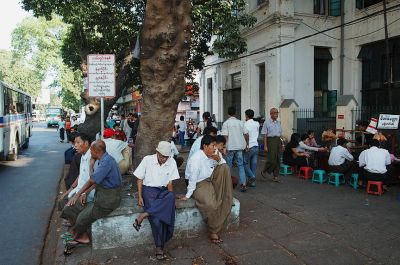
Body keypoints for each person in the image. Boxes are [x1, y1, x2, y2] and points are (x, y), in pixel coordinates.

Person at [63, 139, 122, 255]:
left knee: (82, 217)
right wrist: (85, 192)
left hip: (109, 200)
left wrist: (79, 194)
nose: (90, 152)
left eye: (91, 150)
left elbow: (91, 180)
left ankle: (75, 236)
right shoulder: (103, 159)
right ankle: (77, 235)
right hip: (101, 196)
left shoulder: (106, 162)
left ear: (96, 151)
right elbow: (96, 180)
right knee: (74, 209)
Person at [181, 135, 233, 244]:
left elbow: (222, 164)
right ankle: (214, 230)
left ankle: (226, 195)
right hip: (199, 183)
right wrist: (188, 194)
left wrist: (218, 160)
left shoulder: (215, 153)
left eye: (215, 145)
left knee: (225, 167)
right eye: (212, 145)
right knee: (211, 205)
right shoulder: (196, 158)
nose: (215, 148)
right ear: (204, 146)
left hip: (211, 178)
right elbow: (192, 178)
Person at [133, 141, 179, 260]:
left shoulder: (172, 161)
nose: (164, 159)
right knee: (157, 219)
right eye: (162, 156)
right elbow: (139, 179)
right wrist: (140, 196)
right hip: (149, 191)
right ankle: (159, 247)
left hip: (164, 192)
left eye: (166, 156)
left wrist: (172, 202)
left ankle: (144, 214)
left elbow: (170, 183)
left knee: (171, 196)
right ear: (157, 152)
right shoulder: (147, 160)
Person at [58, 133, 95, 238]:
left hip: (88, 191)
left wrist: (80, 194)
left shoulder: (92, 157)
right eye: (75, 143)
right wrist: (69, 190)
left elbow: (94, 180)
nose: (75, 146)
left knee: (69, 207)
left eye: (78, 143)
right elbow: (81, 175)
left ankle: (82, 236)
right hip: (80, 189)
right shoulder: (82, 156)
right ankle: (74, 227)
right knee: (62, 201)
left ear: (86, 143)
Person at [221, 106, 249, 192]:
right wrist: (247, 144)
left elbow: (225, 136)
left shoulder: (226, 123)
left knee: (229, 166)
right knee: (240, 165)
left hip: (230, 147)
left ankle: (229, 184)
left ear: (228, 113)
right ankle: (243, 184)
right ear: (235, 113)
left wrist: (224, 147)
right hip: (240, 147)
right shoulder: (241, 122)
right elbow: (246, 134)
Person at [261, 108, 282, 182]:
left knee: (278, 159)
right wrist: (265, 145)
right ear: (271, 114)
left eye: (277, 112)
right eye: (275, 113)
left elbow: (280, 134)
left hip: (278, 140)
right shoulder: (267, 122)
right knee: (272, 159)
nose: (276, 114)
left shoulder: (278, 122)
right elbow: (264, 135)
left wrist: (282, 143)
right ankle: (264, 171)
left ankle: (275, 176)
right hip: (271, 140)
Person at [244, 109, 259, 187]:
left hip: (249, 146)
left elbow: (246, 135)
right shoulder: (257, 123)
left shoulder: (245, 124)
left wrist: (246, 146)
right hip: (256, 145)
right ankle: (252, 183)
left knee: (244, 163)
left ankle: (252, 177)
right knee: (253, 164)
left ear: (246, 115)